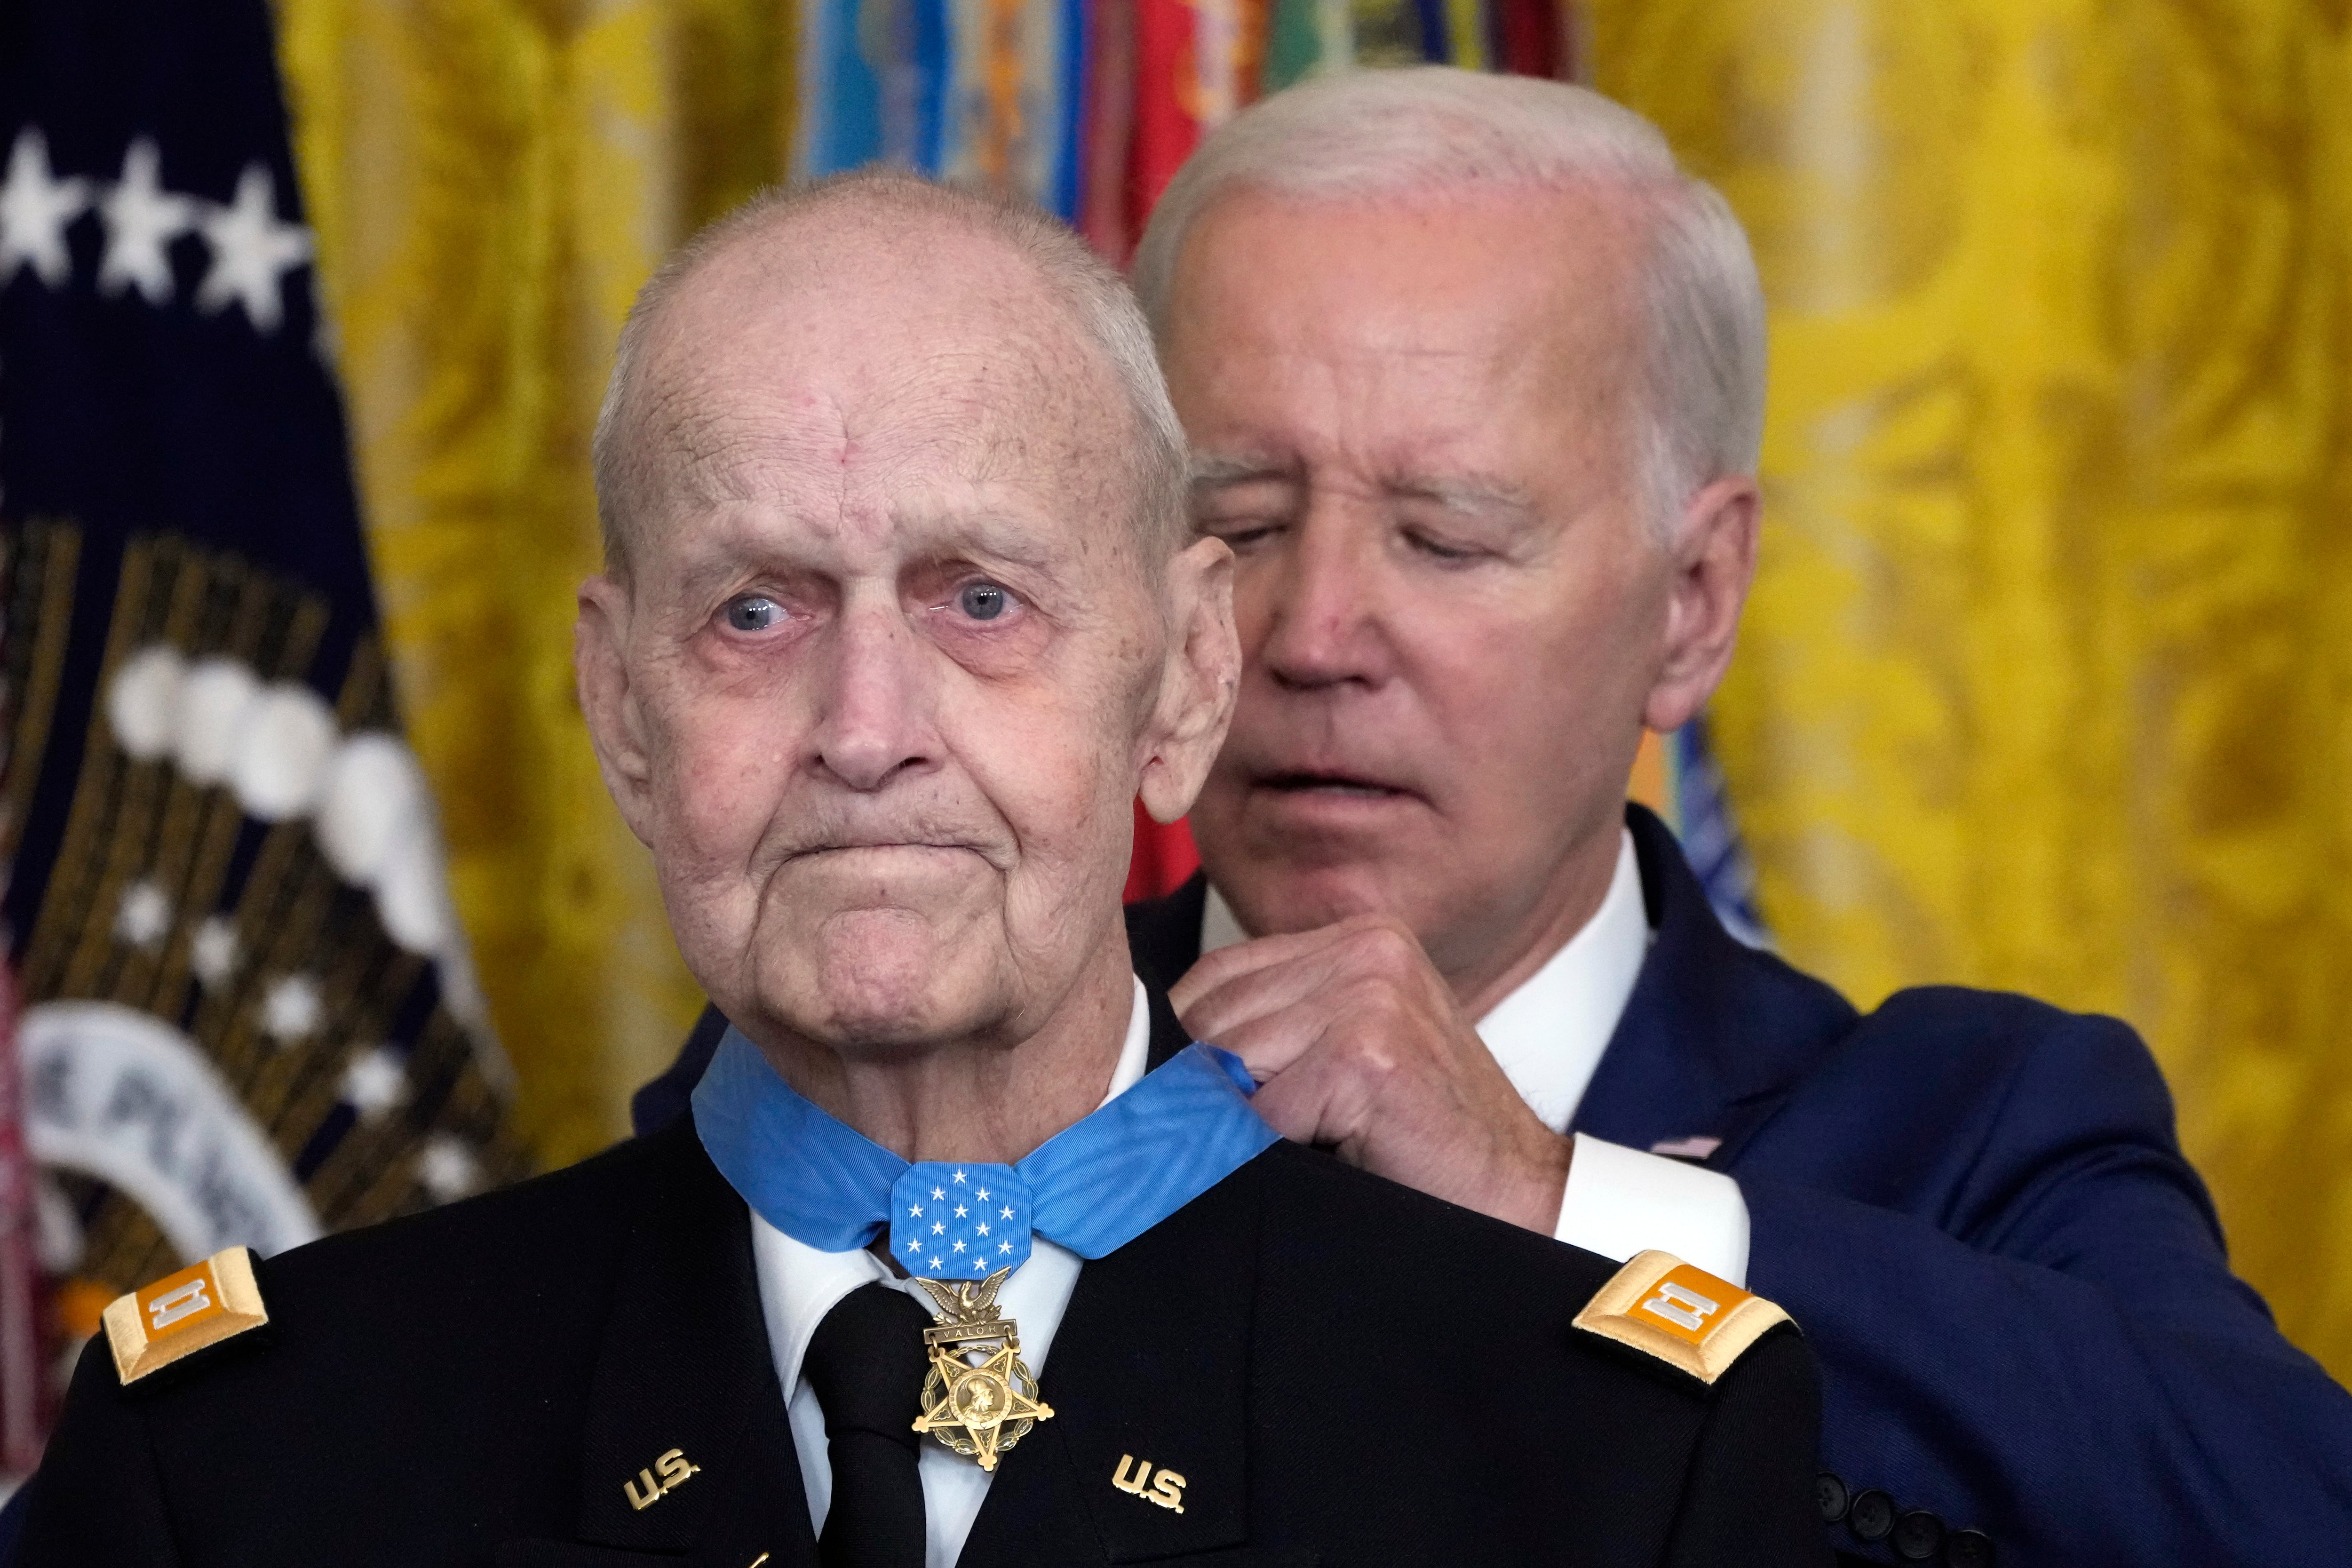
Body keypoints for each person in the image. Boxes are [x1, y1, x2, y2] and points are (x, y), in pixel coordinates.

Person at [636, 72, 2352, 1568]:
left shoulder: (1963, 1132)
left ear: (1693, 601)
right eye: (1240, 521)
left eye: (1446, 539)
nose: (1308, 638)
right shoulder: (868, 1070)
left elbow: (2288, 1514)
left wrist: (1548, 1199)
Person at [16, 172, 1826, 1568]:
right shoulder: (246, 1460)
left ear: (1188, 683)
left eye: (982, 601)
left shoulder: (1607, 1459)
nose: (866, 725)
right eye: (754, 608)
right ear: (621, 711)